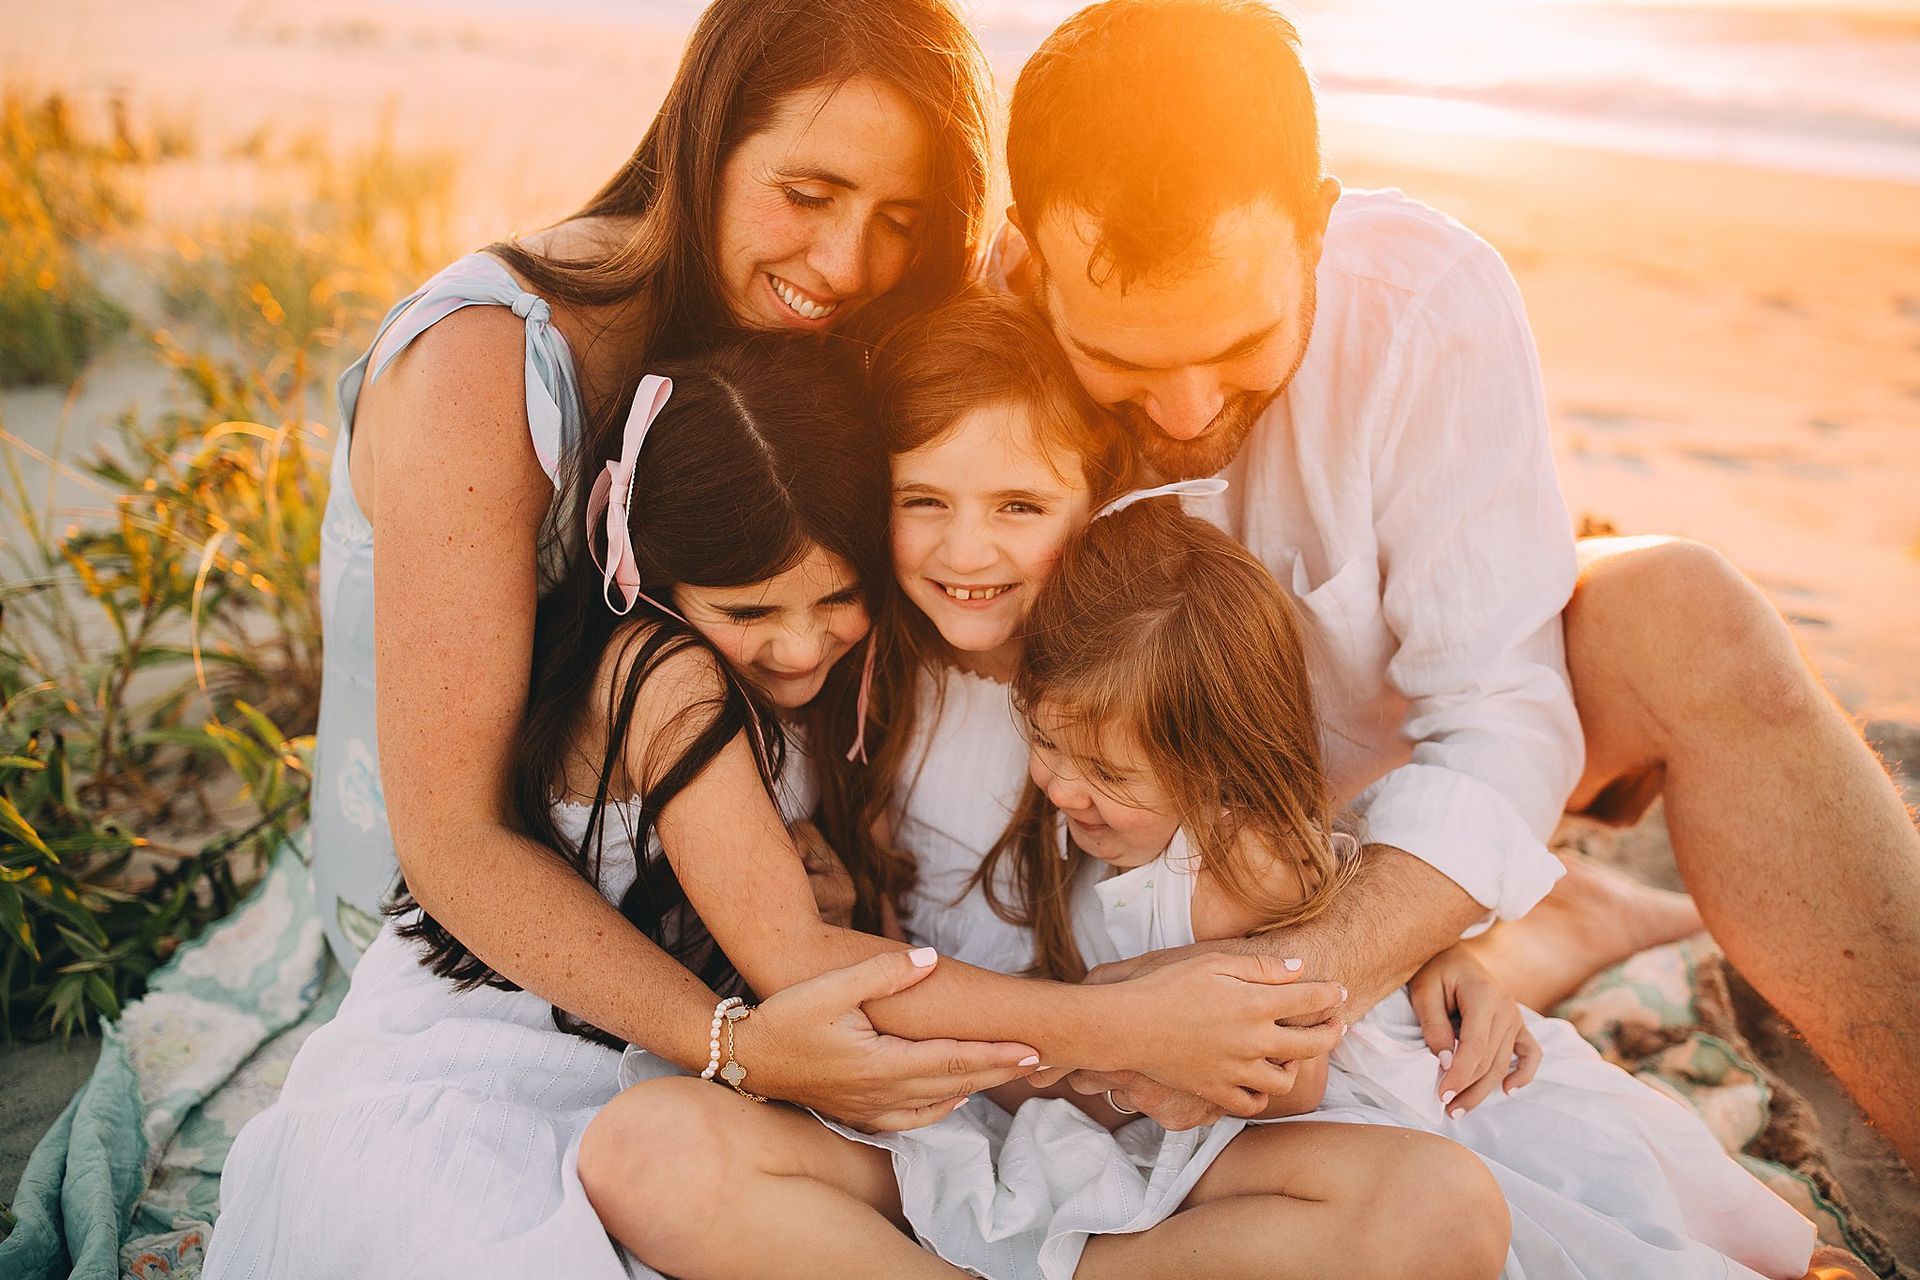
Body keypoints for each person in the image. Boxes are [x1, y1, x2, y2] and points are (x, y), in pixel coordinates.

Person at [996, 0, 1920, 1171]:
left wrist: (1300, 980)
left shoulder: (1425, 304)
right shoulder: (971, 347)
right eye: (1122, 358)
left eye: (1240, 344)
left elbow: (1499, 720)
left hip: (1376, 809)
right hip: (1122, 838)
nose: (1186, 413)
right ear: (1028, 257)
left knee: (1693, 615)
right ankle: (1548, 920)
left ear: (1317, 233)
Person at [209, 3, 1044, 1273]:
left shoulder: (793, 345)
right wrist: (732, 1039)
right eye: (808, 192)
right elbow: (451, 840)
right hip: (470, 927)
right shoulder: (489, 362)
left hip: (691, 886)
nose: (847, 260)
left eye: (900, 222)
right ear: (704, 139)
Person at [576, 290, 1512, 1280]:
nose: (968, 553)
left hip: (1163, 1136)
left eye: (1019, 506)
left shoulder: (1138, 665)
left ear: (1095, 496)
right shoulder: (840, 657)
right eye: (922, 499)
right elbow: (797, 945)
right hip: (939, 1107)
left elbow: (1280, 849)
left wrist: (1416, 946)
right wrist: (860, 899)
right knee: (646, 1148)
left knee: (1442, 1210)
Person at [999, 497, 1815, 1279]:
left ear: (1208, 765)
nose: (1060, 787)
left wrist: (1109, 1047)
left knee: (1586, 1238)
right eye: (1044, 739)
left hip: (1387, 1107)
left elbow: (1296, 1071)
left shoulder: (1238, 867)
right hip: (1286, 1118)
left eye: (1104, 772)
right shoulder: (1116, 830)